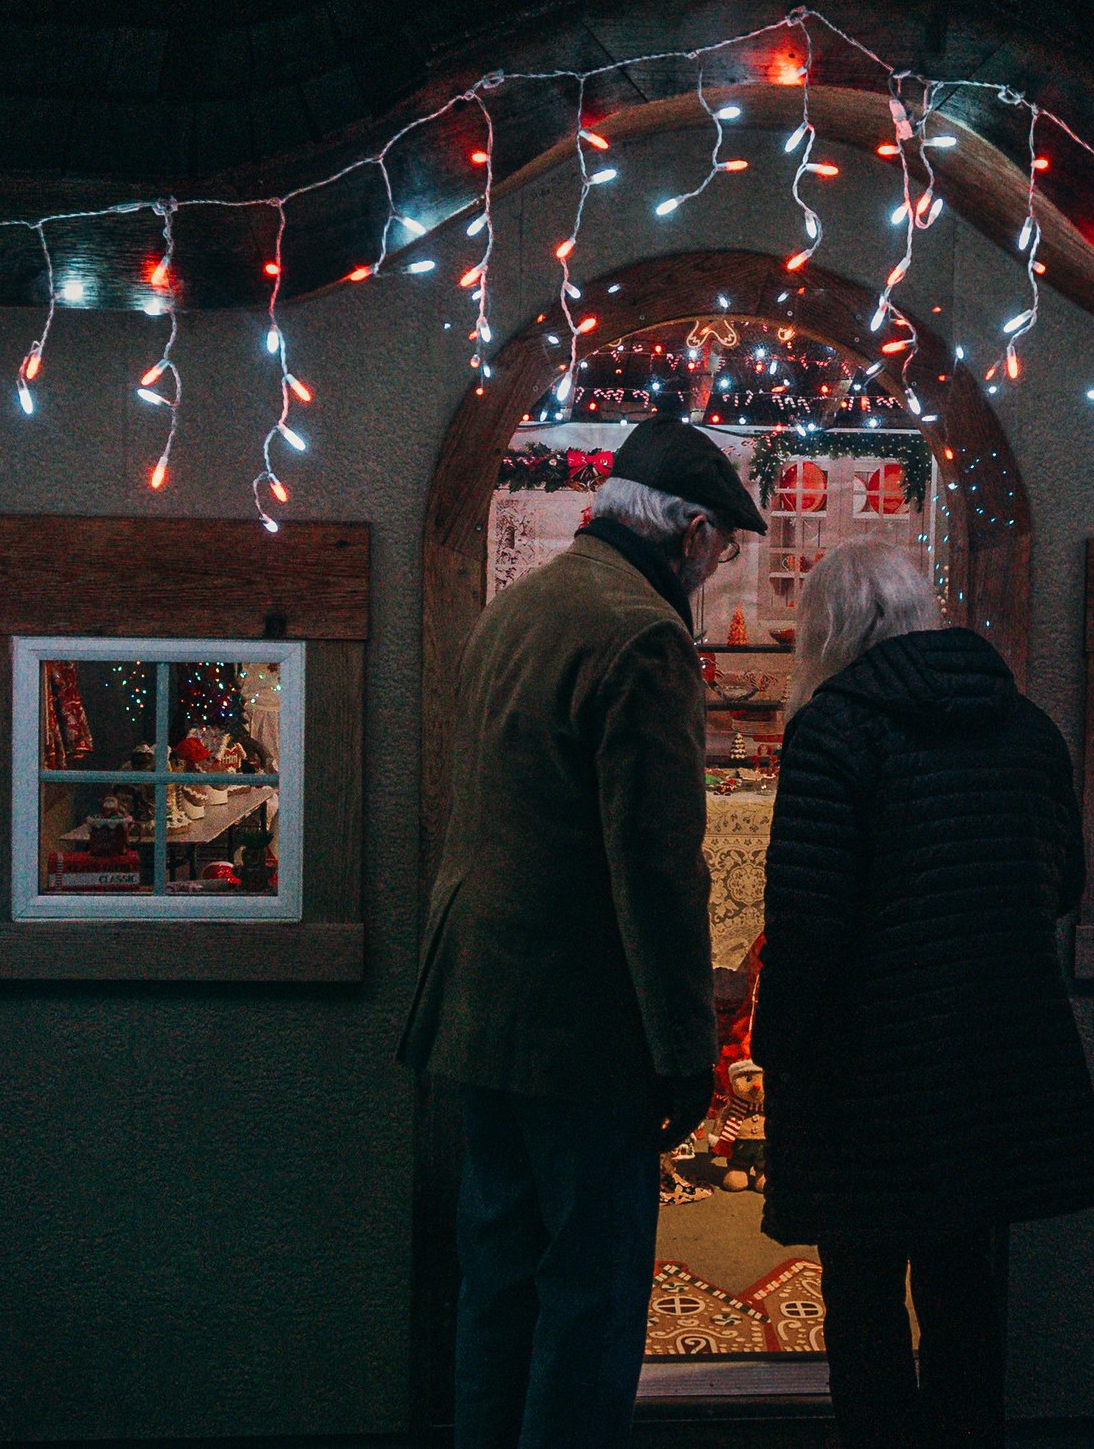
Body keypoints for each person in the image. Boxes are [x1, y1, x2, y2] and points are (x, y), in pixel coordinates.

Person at [401, 414, 768, 1449]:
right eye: (720, 546)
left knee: (499, 1274)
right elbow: (654, 869)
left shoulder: (518, 607)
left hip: (478, 1002)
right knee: (590, 1294)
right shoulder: (643, 633)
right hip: (580, 1022)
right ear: (688, 531)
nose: (717, 565)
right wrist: (684, 1044)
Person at [752, 541, 1094, 1449]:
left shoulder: (833, 730)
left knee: (862, 1301)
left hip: (863, 1074)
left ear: (827, 628)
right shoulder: (1027, 729)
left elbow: (806, 920)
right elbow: (1064, 884)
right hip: (994, 1062)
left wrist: (777, 1045)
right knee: (964, 1293)